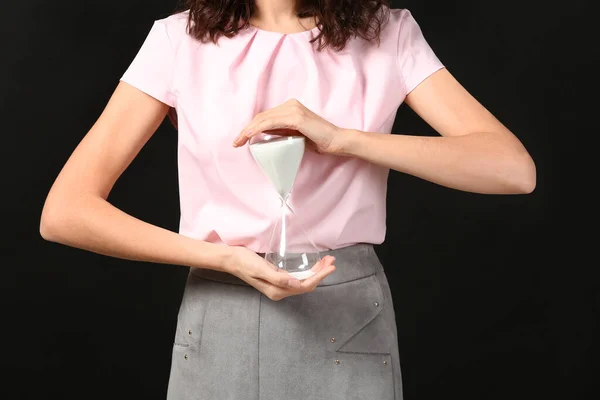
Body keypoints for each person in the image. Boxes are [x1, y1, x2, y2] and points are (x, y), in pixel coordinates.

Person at [39, 0, 536, 399]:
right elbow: (65, 211)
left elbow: (512, 170)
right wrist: (222, 257)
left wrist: (343, 138)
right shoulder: (178, 39)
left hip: (344, 318)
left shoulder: (388, 32)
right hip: (221, 308)